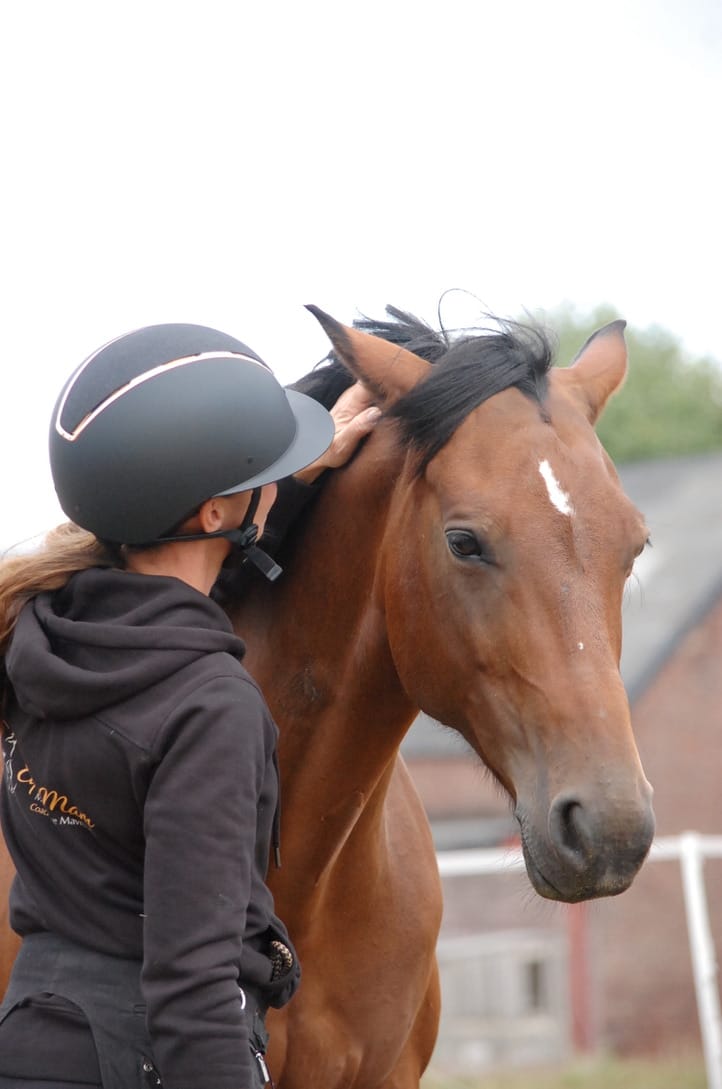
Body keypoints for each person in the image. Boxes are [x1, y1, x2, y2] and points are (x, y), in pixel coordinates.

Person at [0, 322, 379, 1089]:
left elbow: (169, 588)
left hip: (33, 1039)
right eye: (263, 473)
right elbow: (192, 985)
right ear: (214, 514)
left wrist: (286, 477)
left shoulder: (39, 639)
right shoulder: (210, 707)